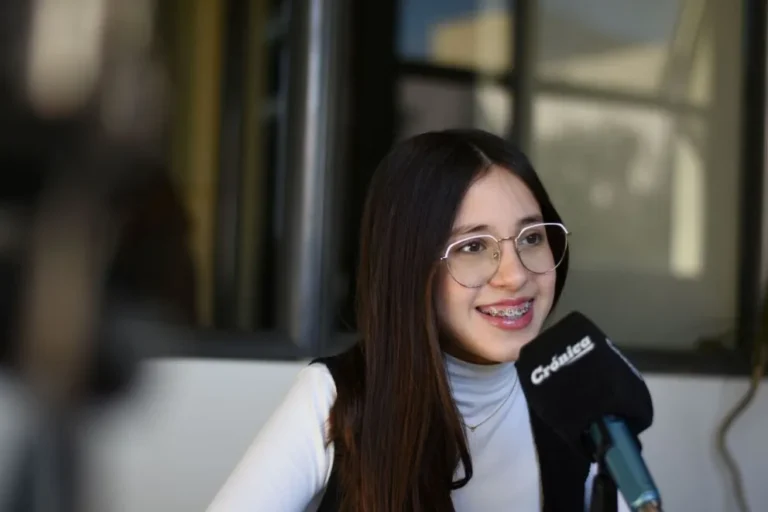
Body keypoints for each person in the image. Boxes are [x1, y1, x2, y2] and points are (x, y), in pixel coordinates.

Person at [207, 129, 630, 511]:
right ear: (410, 267)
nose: (516, 274)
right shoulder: (334, 398)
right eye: (472, 246)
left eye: (532, 237)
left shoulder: (575, 408)